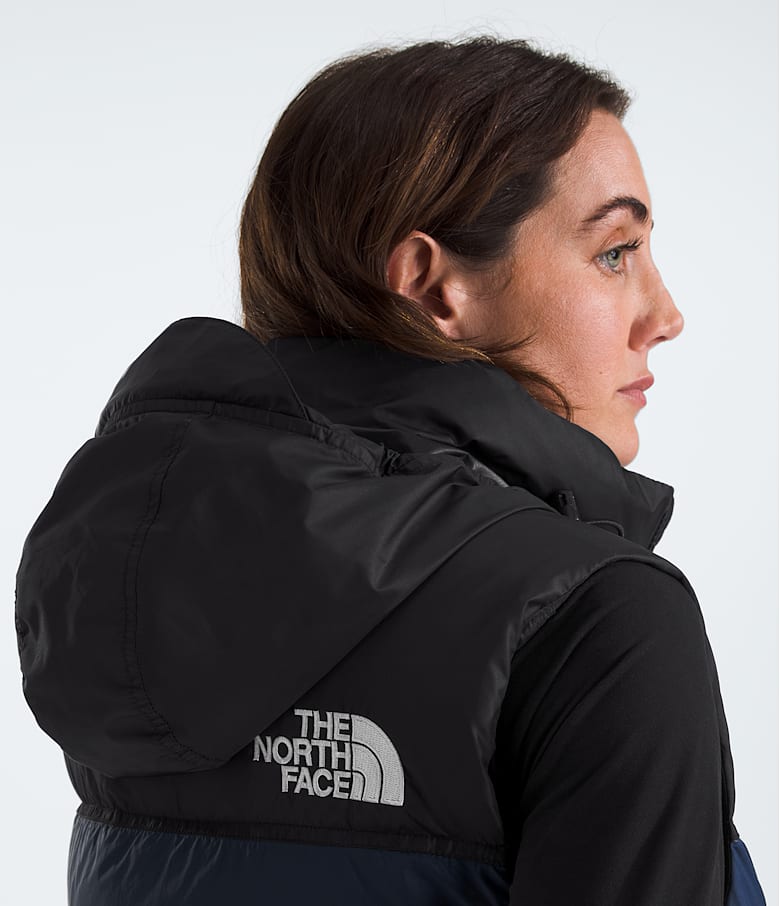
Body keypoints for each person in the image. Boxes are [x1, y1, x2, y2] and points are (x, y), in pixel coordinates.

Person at [14, 37, 766, 906]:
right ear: (434, 287)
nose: (664, 315)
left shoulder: (124, 582)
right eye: (614, 252)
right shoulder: (597, 620)